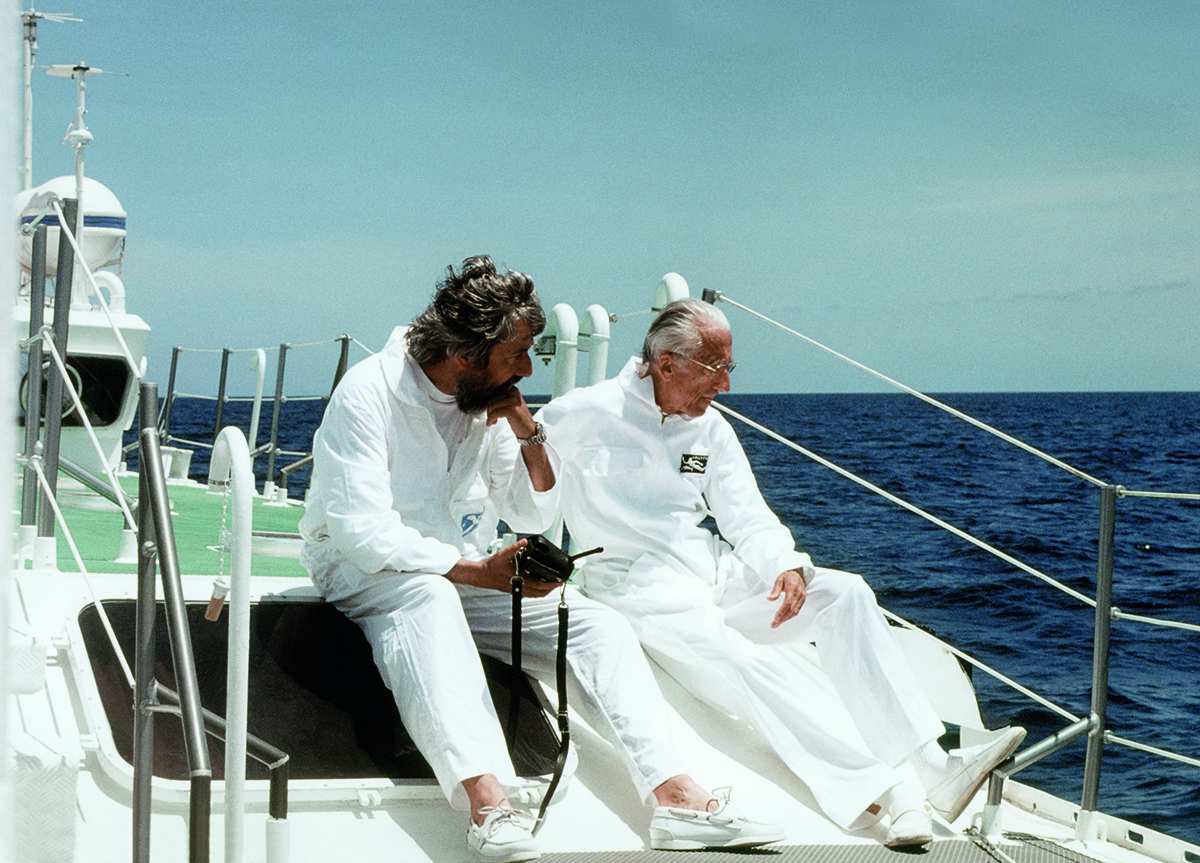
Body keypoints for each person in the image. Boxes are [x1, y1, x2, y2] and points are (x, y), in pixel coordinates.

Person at [299, 260, 784, 862]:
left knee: (596, 624)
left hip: (458, 563)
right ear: (465, 354)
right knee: (425, 597)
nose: (528, 369)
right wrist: (477, 571)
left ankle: (676, 801)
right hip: (362, 567)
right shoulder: (369, 391)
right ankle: (488, 805)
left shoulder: (486, 401)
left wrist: (528, 433)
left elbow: (529, 509)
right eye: (518, 354)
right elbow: (361, 531)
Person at [537, 297, 1026, 848]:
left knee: (844, 594)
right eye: (713, 368)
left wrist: (784, 565)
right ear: (667, 362)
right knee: (739, 660)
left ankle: (933, 767)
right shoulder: (582, 412)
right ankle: (887, 792)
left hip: (714, 574)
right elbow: (518, 489)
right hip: (638, 589)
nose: (724, 385)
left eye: (729, 368)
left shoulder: (709, 429)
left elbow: (747, 515)